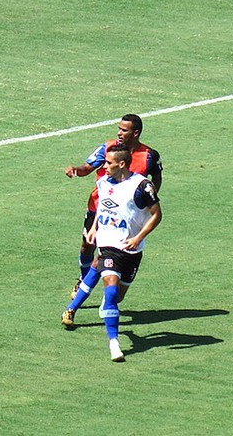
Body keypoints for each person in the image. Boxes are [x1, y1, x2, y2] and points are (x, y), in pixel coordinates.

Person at [62, 144, 162, 362]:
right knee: (110, 291)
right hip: (108, 244)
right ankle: (114, 344)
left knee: (117, 296)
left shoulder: (142, 186)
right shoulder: (104, 181)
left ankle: (72, 307)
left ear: (122, 164)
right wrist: (94, 228)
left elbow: (156, 215)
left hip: (132, 249)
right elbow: (103, 207)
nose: (104, 166)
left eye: (108, 163)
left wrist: (138, 238)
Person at [64, 114, 162, 299]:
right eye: (119, 128)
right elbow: (87, 167)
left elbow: (156, 175)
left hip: (126, 213)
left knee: (114, 250)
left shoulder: (149, 156)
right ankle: (84, 279)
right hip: (99, 206)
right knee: (87, 245)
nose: (119, 132)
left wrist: (149, 198)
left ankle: (108, 290)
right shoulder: (108, 148)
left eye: (124, 130)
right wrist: (76, 170)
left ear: (136, 133)